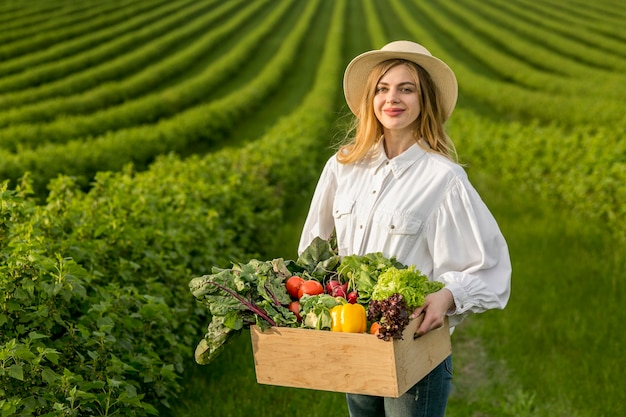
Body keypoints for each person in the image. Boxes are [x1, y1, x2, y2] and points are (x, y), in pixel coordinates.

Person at [297, 41, 512, 417]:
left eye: (406, 89)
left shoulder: (443, 179)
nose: (392, 98)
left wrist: (447, 297)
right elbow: (313, 250)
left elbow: (490, 268)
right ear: (371, 99)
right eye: (383, 88)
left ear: (423, 100)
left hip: (414, 347)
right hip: (353, 339)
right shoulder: (343, 167)